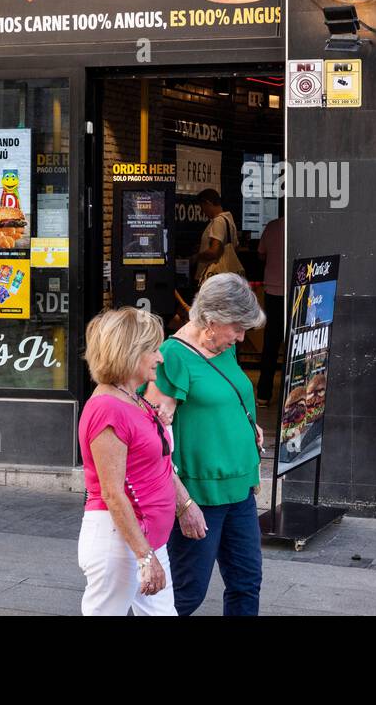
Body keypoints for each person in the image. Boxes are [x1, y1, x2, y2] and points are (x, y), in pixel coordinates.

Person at [145, 273, 266, 616]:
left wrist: (247, 425)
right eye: (238, 328)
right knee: (186, 594)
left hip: (239, 488)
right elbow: (152, 441)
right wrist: (183, 505)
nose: (242, 338)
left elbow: (228, 396)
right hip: (199, 495)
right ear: (212, 321)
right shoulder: (173, 357)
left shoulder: (222, 347)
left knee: (246, 583)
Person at [77, 307, 206, 616]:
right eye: (153, 350)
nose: (160, 358)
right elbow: (112, 492)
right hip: (120, 543)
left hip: (142, 540)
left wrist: (184, 503)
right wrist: (145, 557)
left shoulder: (132, 398)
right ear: (130, 353)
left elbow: (155, 461)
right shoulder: (108, 409)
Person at [255, 210, 285, 406]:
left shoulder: (272, 226)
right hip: (297, 290)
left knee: (270, 345)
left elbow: (260, 254)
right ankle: (292, 396)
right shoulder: (303, 226)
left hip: (273, 290)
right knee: (296, 344)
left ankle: (264, 395)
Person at [192, 189, 243, 283]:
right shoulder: (229, 220)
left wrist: (197, 257)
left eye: (202, 207)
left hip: (212, 278)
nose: (202, 212)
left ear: (208, 203)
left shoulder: (218, 221)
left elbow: (214, 252)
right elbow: (235, 248)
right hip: (226, 277)